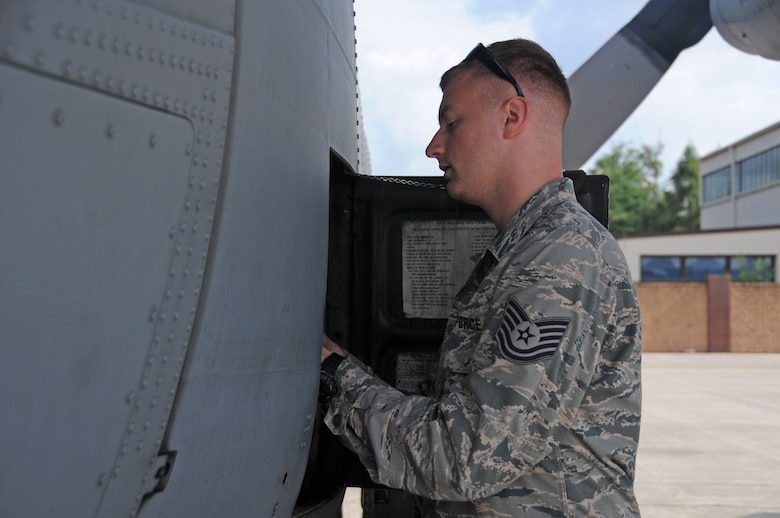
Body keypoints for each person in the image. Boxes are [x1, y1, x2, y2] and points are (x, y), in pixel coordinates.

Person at [320, 38, 642, 517]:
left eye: (451, 123)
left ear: (512, 117)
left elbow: (468, 458)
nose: (434, 147)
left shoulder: (559, 257)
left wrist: (334, 374)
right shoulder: (527, 250)